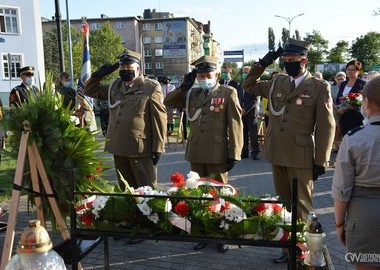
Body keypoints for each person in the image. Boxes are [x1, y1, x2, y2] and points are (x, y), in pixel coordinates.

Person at [243, 38, 335, 263]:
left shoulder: (319, 87)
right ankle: (287, 249)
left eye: (291, 60)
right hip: (277, 153)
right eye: (284, 60)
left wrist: (321, 161)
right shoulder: (277, 82)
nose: (287, 64)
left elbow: (326, 126)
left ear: (304, 60)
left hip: (301, 156)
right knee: (283, 205)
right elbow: (248, 85)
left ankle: (302, 251)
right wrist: (263, 63)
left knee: (302, 206)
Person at [164, 55, 243, 253]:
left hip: (218, 152)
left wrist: (235, 152)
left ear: (216, 73)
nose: (204, 78)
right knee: (197, 195)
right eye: (201, 75)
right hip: (197, 151)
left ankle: (222, 234)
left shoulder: (228, 92)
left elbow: (235, 124)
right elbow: (168, 101)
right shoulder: (192, 93)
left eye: (208, 74)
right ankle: (201, 232)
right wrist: (183, 86)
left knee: (220, 195)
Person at [84, 49, 167, 190]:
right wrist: (97, 76)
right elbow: (90, 91)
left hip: (139, 148)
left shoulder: (150, 87)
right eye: (122, 67)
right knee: (126, 188)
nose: (125, 70)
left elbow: (159, 118)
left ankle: (149, 213)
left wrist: (158, 148)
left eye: (129, 67)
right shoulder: (115, 86)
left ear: (138, 69)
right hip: (118, 146)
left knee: (146, 189)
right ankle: (131, 212)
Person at [332, 76, 380, 270]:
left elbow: (341, 189)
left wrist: (339, 224)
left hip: (363, 215)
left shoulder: (353, 139)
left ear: (366, 102)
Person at [335, 60, 366, 136]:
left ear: (358, 71)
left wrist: (352, 106)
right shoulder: (343, 84)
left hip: (356, 118)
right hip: (343, 117)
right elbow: (338, 99)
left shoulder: (362, 84)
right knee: (345, 139)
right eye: (348, 69)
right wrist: (338, 108)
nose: (349, 71)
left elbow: (364, 101)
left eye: (353, 70)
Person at [240, 65, 260, 160]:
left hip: (251, 113)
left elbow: (255, 100)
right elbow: (237, 98)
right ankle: (244, 152)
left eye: (247, 72)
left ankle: (255, 152)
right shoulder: (240, 85)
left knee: (253, 134)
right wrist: (240, 109)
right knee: (243, 133)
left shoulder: (254, 85)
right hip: (241, 113)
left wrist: (246, 109)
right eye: (243, 72)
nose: (245, 74)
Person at [331, 71, 347, 153]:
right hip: (335, 110)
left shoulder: (347, 87)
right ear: (335, 79)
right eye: (339, 79)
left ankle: (343, 145)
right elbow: (329, 100)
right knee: (337, 128)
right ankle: (336, 145)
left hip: (345, 110)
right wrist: (336, 107)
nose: (341, 80)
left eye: (342, 78)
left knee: (343, 127)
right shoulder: (332, 88)